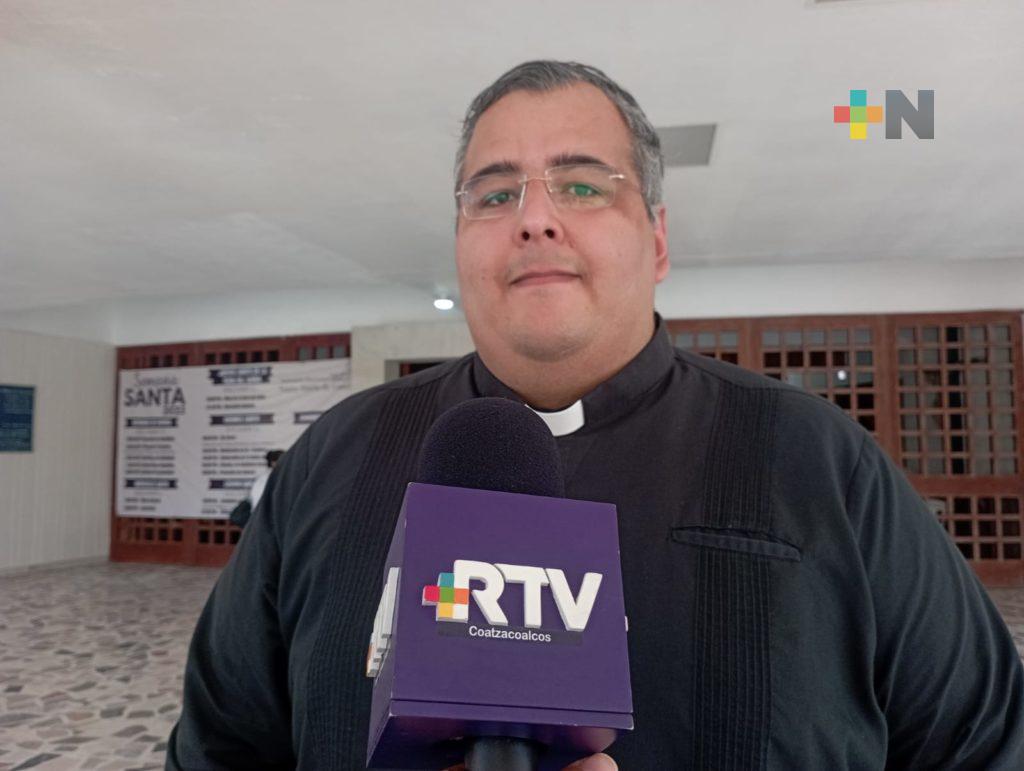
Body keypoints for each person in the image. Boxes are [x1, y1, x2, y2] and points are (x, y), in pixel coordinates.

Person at [167, 61, 1024, 769]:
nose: (534, 219)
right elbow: (218, 745)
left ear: (657, 239)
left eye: (581, 185)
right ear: (459, 240)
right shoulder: (337, 455)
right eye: (494, 196)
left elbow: (989, 744)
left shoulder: (817, 456)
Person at [228, 449, 285, 529]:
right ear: (273, 463)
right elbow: (258, 503)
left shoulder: (273, 477)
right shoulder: (266, 479)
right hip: (264, 522)